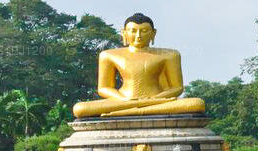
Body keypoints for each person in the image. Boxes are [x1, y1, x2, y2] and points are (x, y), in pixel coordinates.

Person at [72, 13, 206, 118]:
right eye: (133, 31)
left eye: (144, 31)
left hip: (157, 100)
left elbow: (177, 87)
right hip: (123, 100)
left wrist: (154, 98)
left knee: (197, 104)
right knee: (80, 109)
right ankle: (140, 108)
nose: (138, 36)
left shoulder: (169, 55)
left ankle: (131, 110)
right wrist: (124, 99)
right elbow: (104, 88)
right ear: (124, 33)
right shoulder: (109, 55)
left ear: (153, 33)